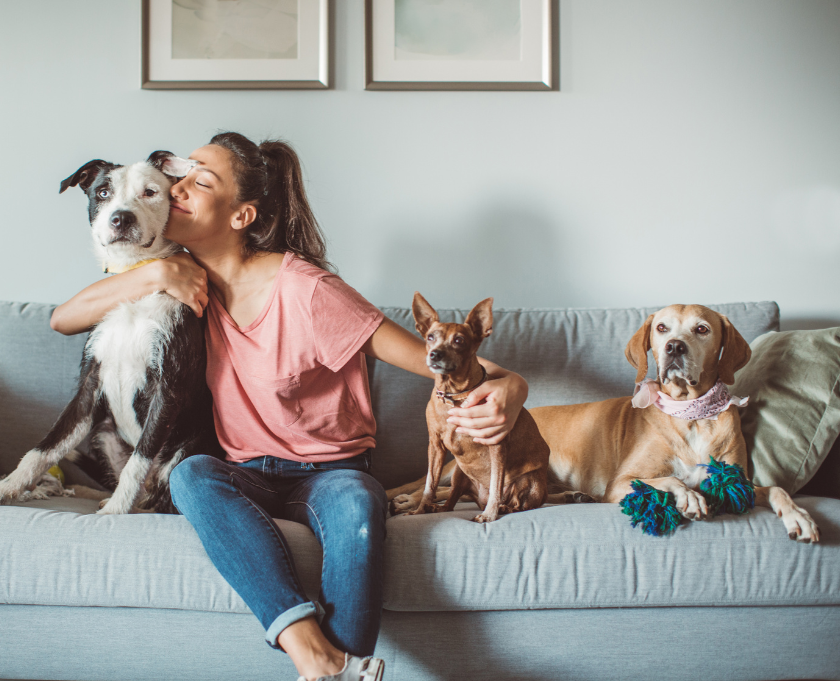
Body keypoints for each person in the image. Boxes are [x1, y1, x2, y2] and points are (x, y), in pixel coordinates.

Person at [50, 132, 529, 681]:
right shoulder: (179, 278)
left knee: (357, 506)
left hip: (330, 473)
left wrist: (513, 386)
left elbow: (436, 361)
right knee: (191, 476)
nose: (178, 187)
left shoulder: (307, 289)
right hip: (243, 473)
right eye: (181, 176)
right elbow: (63, 319)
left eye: (200, 181)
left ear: (240, 215)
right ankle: (316, 654)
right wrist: (156, 272)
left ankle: (331, 669)